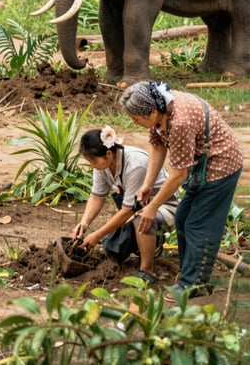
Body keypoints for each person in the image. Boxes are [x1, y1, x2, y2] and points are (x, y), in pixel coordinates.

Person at [119, 80, 243, 300]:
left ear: (152, 112)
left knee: (198, 225)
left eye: (136, 119)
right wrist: (147, 184)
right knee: (182, 217)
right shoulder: (160, 107)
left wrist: (153, 207)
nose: (134, 122)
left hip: (221, 166)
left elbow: (178, 174)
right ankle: (189, 272)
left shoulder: (180, 123)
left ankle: (194, 284)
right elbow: (157, 146)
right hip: (201, 167)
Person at [71, 126, 179, 282]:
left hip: (164, 205)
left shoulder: (135, 164)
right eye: (89, 161)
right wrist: (84, 223)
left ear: (109, 153)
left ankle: (147, 270)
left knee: (141, 220)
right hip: (139, 204)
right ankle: (144, 244)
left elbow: (128, 210)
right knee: (112, 247)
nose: (92, 165)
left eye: (93, 160)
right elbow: (97, 196)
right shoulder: (103, 165)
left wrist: (97, 235)